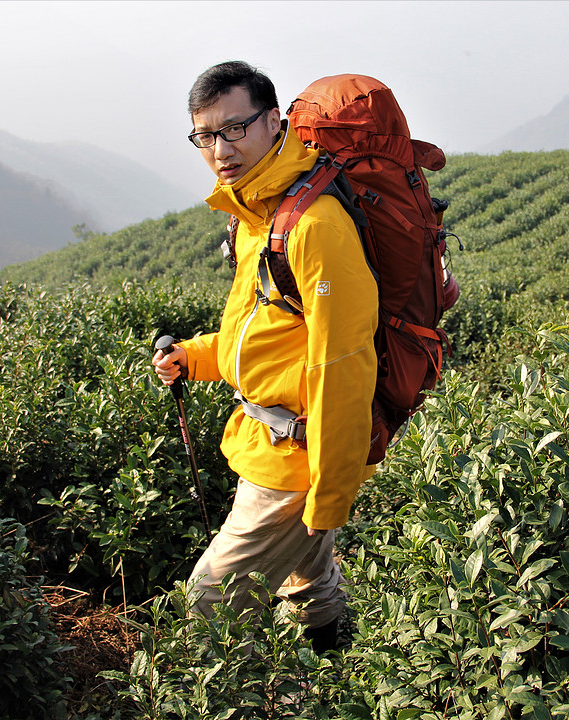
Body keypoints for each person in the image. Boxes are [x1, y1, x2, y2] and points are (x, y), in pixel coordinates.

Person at [152, 61, 378, 652]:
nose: (219, 149)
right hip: (270, 440)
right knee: (309, 583)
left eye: (235, 128)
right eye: (205, 135)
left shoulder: (313, 225)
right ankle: (341, 677)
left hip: (299, 460)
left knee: (209, 605)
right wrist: (196, 357)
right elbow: (265, 328)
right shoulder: (256, 212)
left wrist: (330, 495)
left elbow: (344, 365)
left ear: (273, 121)